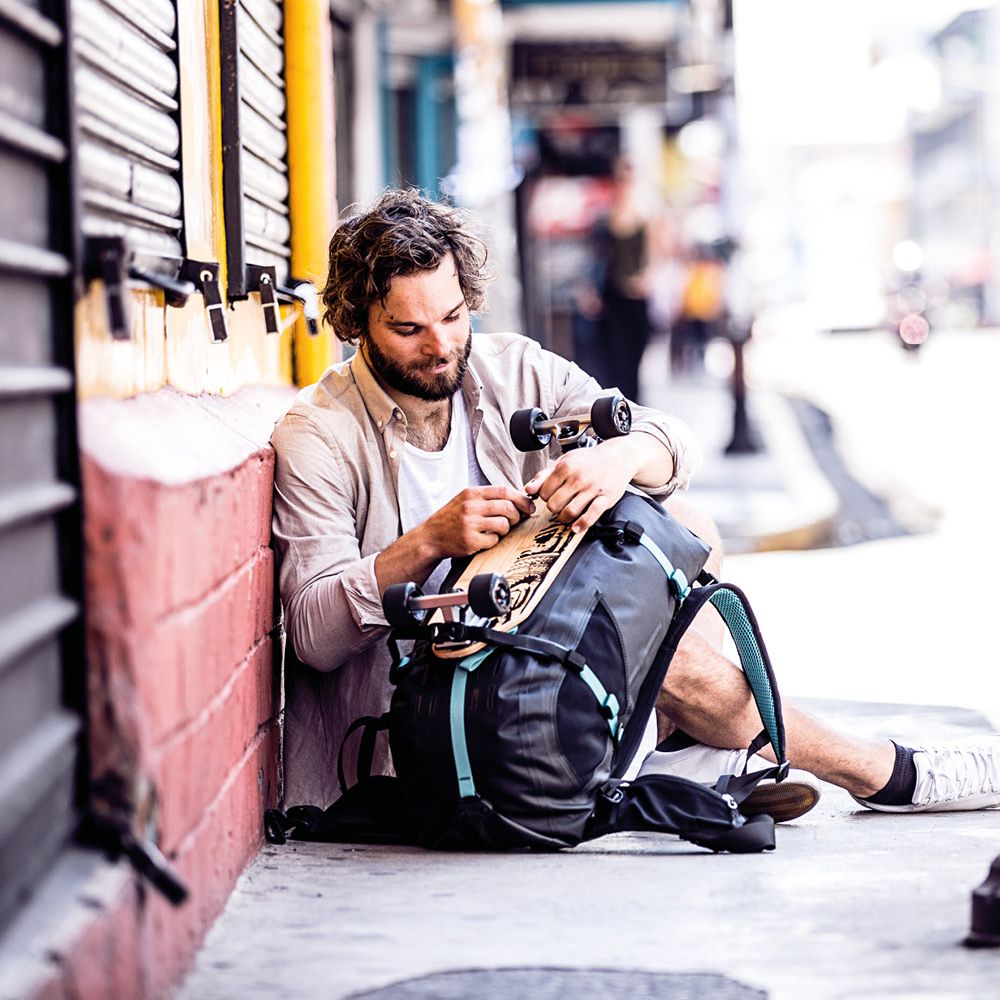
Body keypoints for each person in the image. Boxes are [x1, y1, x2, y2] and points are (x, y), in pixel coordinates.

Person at [271, 189, 1000, 822]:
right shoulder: (318, 433)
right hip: (438, 713)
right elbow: (312, 632)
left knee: (686, 529)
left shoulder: (507, 368)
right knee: (663, 652)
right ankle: (875, 771)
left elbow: (667, 439)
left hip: (533, 659)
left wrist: (615, 456)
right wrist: (426, 541)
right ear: (355, 321)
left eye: (455, 316)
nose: (442, 346)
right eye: (409, 329)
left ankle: (685, 754)